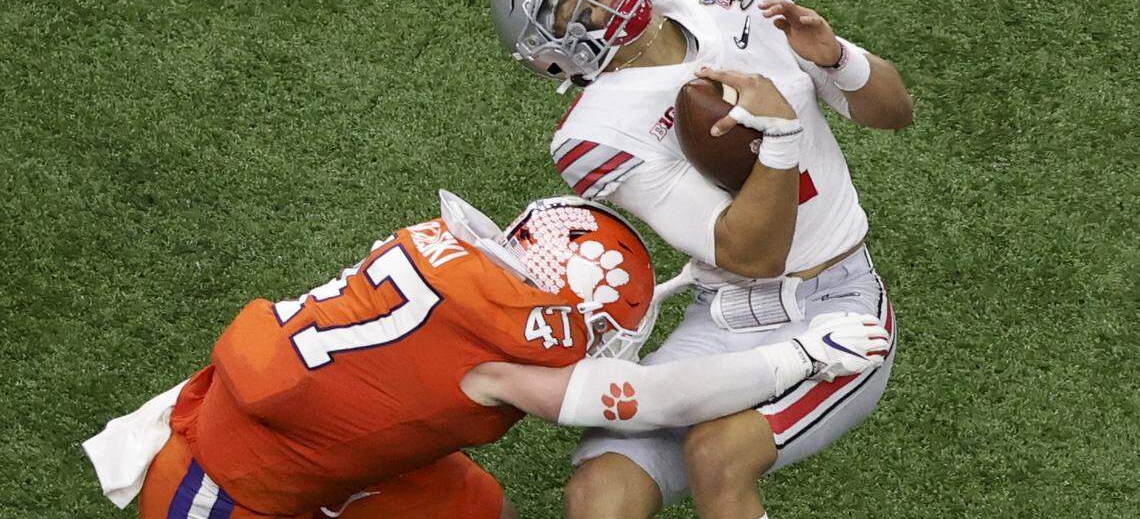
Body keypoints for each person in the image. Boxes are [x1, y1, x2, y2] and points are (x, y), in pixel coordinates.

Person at [84, 191, 890, 519]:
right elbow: (659, 402)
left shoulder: (449, 250)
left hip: (298, 417)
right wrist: (797, 356)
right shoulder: (506, 350)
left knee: (471, 504)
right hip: (223, 486)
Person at [491, 0, 914, 519]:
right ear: (554, 51)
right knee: (598, 492)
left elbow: (896, 112)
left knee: (716, 456)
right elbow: (749, 255)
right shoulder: (595, 136)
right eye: (572, 3)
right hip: (723, 309)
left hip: (837, 303)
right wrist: (781, 137)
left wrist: (834, 56)